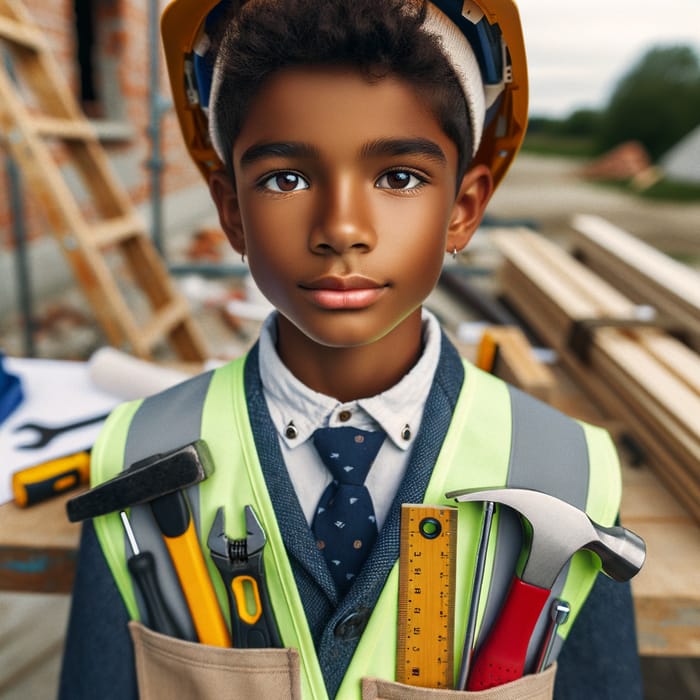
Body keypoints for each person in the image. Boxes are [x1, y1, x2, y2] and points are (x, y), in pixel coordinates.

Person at [59, 1, 643, 698]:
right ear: (230, 211)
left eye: (398, 176)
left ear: (464, 207)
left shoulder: (572, 478)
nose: (341, 228)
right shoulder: (132, 457)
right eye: (286, 178)